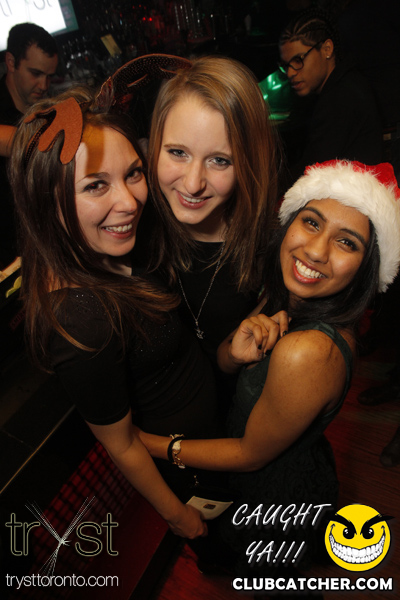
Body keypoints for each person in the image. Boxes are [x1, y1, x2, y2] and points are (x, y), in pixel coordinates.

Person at [138, 160, 400, 574]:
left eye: (346, 242)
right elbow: (227, 360)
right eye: (311, 222)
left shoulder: (309, 351)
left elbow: (249, 456)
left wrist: (147, 446)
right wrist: (235, 353)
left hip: (271, 496)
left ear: (365, 269)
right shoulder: (287, 295)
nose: (316, 251)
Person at [9, 79, 232, 540]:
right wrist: (177, 516)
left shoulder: (110, 248)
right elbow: (123, 444)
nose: (130, 202)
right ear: (46, 202)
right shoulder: (80, 319)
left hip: (215, 433)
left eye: (133, 173)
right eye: (96, 185)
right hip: (191, 469)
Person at [145, 55, 279, 364]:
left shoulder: (271, 247)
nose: (193, 184)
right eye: (178, 152)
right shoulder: (135, 227)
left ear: (248, 164)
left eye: (220, 160)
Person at [278, 10, 382, 184]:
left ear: (327, 49)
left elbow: (312, 172)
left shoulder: (342, 97)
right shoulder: (344, 84)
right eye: (286, 65)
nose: (290, 72)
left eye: (298, 60)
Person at [0, 22, 58, 268]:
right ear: (11, 62)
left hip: (46, 246)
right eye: (35, 74)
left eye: (49, 76)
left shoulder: (48, 110)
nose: (44, 86)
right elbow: (22, 143)